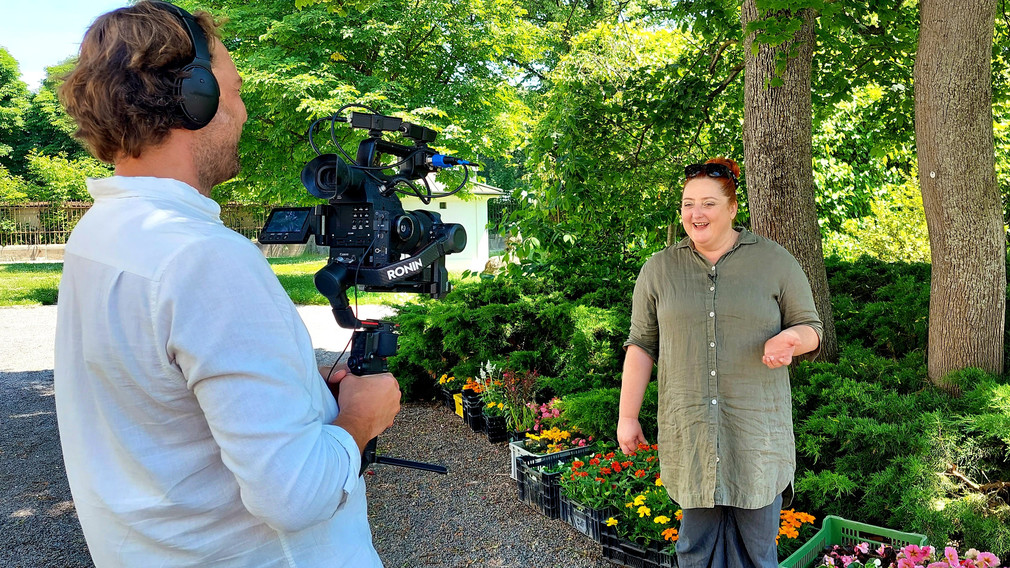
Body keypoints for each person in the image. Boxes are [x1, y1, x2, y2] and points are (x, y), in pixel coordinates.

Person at [53, 2, 399, 566]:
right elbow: (295, 496)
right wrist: (362, 416)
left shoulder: (101, 233)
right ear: (195, 97)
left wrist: (297, 390)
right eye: (234, 92)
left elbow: (164, 394)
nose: (242, 113)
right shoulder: (205, 259)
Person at [617, 157, 822, 568]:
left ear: (732, 208)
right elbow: (641, 345)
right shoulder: (658, 270)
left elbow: (811, 328)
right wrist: (628, 416)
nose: (696, 213)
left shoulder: (775, 262)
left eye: (708, 203)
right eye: (688, 203)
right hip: (690, 434)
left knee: (757, 552)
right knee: (694, 550)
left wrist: (790, 340)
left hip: (756, 438)